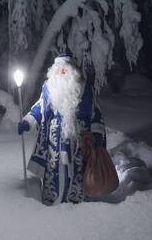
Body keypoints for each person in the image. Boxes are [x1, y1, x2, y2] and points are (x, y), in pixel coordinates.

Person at [18, 51, 107, 205]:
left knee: (78, 168)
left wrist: (96, 134)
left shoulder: (84, 88)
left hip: (79, 138)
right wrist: (27, 122)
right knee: (54, 168)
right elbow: (40, 107)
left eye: (65, 69)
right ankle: (53, 199)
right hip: (54, 139)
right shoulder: (49, 87)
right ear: (54, 71)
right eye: (59, 69)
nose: (62, 71)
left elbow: (94, 111)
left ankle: (76, 200)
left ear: (73, 70)